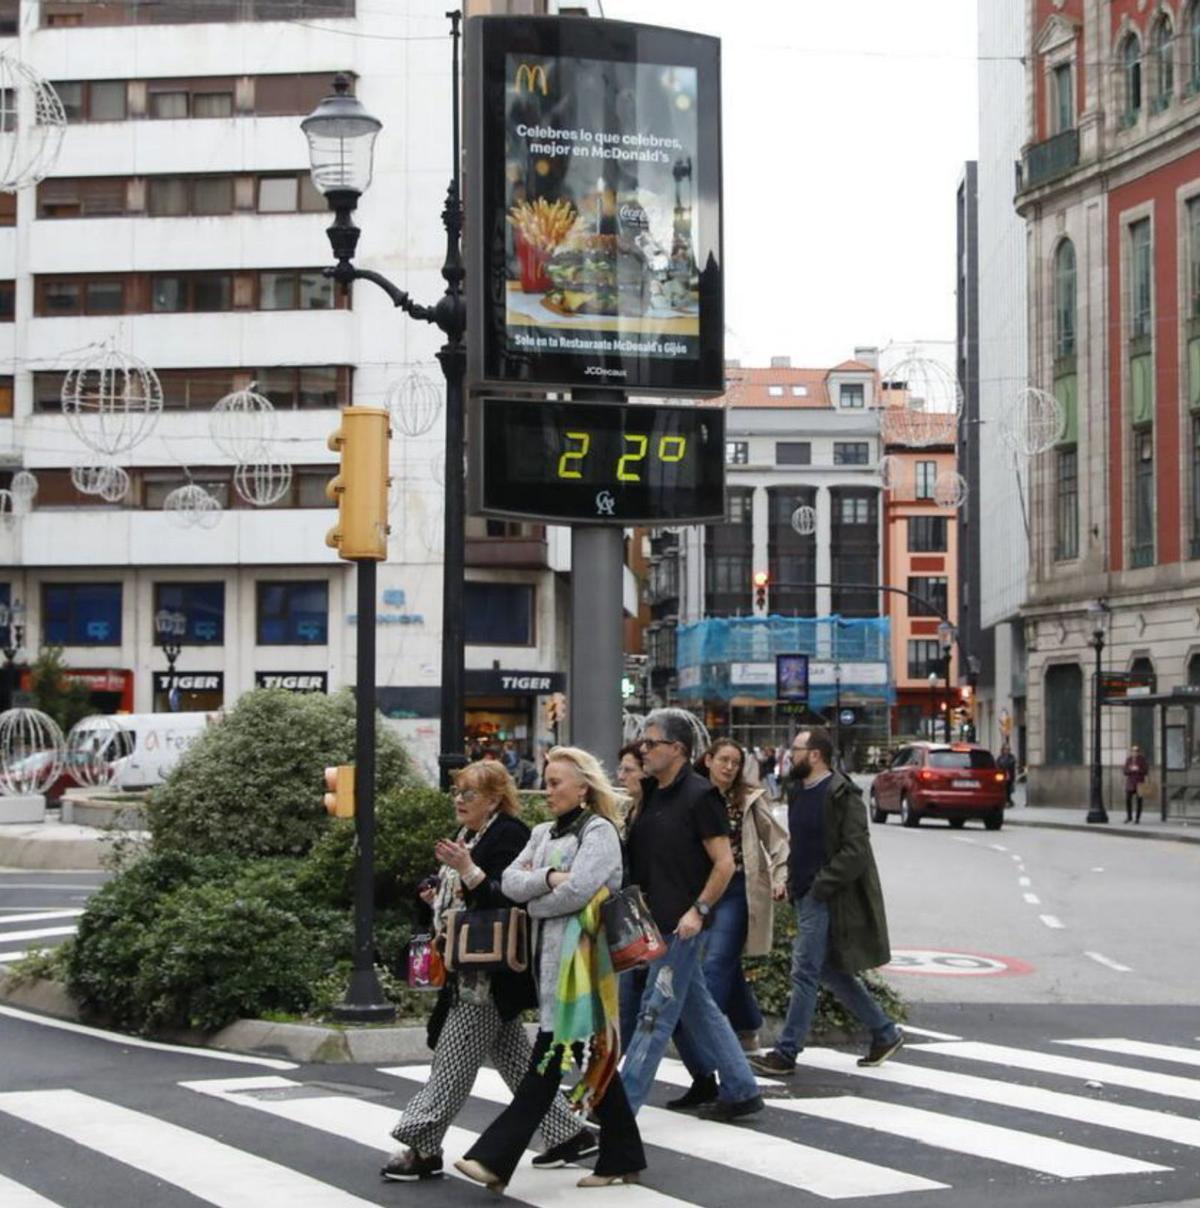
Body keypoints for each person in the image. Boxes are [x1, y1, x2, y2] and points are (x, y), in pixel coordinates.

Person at [382, 760, 591, 1182]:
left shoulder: (509, 834)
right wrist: (434, 896)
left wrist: (465, 871)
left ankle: (422, 1145)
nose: (459, 800)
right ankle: (567, 1133)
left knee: (452, 1059)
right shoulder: (471, 834)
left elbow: (506, 899)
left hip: (491, 973)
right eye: (457, 792)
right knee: (514, 1057)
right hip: (471, 966)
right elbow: (464, 896)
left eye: (469, 793)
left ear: (494, 798)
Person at [456, 747, 645, 1191]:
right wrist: (547, 879)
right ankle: (623, 1155)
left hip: (583, 968)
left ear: (583, 787)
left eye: (556, 781)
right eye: (547, 779)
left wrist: (538, 895)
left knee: (548, 1064)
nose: (548, 789)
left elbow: (579, 890)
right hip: (551, 970)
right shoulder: (542, 832)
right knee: (591, 1059)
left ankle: (493, 1160)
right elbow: (509, 882)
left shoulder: (598, 833)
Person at [620, 710, 764, 1122]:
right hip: (651, 923)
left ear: (678, 749)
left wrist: (698, 912)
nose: (643, 750)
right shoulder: (652, 793)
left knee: (655, 1012)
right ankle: (741, 1089)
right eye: (644, 743)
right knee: (698, 1007)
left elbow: (724, 864)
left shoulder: (701, 796)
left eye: (652, 744)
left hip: (681, 925)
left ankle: (622, 1105)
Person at [750, 726, 904, 1077]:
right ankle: (884, 1032)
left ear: (815, 755)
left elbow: (856, 851)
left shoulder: (841, 793)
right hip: (805, 893)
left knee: (804, 971)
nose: (791, 754)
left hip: (825, 896)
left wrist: (820, 885)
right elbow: (799, 845)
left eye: (798, 749)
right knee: (828, 971)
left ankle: (787, 1053)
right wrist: (788, 879)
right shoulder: (799, 791)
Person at [668, 738, 789, 1110]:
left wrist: (780, 875)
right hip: (698, 888)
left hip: (736, 888)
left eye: (736, 762)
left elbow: (778, 840)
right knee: (724, 964)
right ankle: (748, 1026)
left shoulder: (747, 799)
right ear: (708, 760)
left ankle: (709, 1057)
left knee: (715, 965)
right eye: (723, 760)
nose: (729, 767)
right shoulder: (693, 796)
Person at [1123, 743, 1149, 823]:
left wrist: (1138, 769)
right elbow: (1125, 771)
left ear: (1138, 752)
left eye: (1136, 751)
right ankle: (1129, 817)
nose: (1134, 752)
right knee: (1128, 800)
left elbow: (1145, 770)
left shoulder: (1142, 760)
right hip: (1130, 783)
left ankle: (1137, 818)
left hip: (1139, 782)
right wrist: (1131, 770)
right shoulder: (1129, 760)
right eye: (1133, 751)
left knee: (1139, 801)